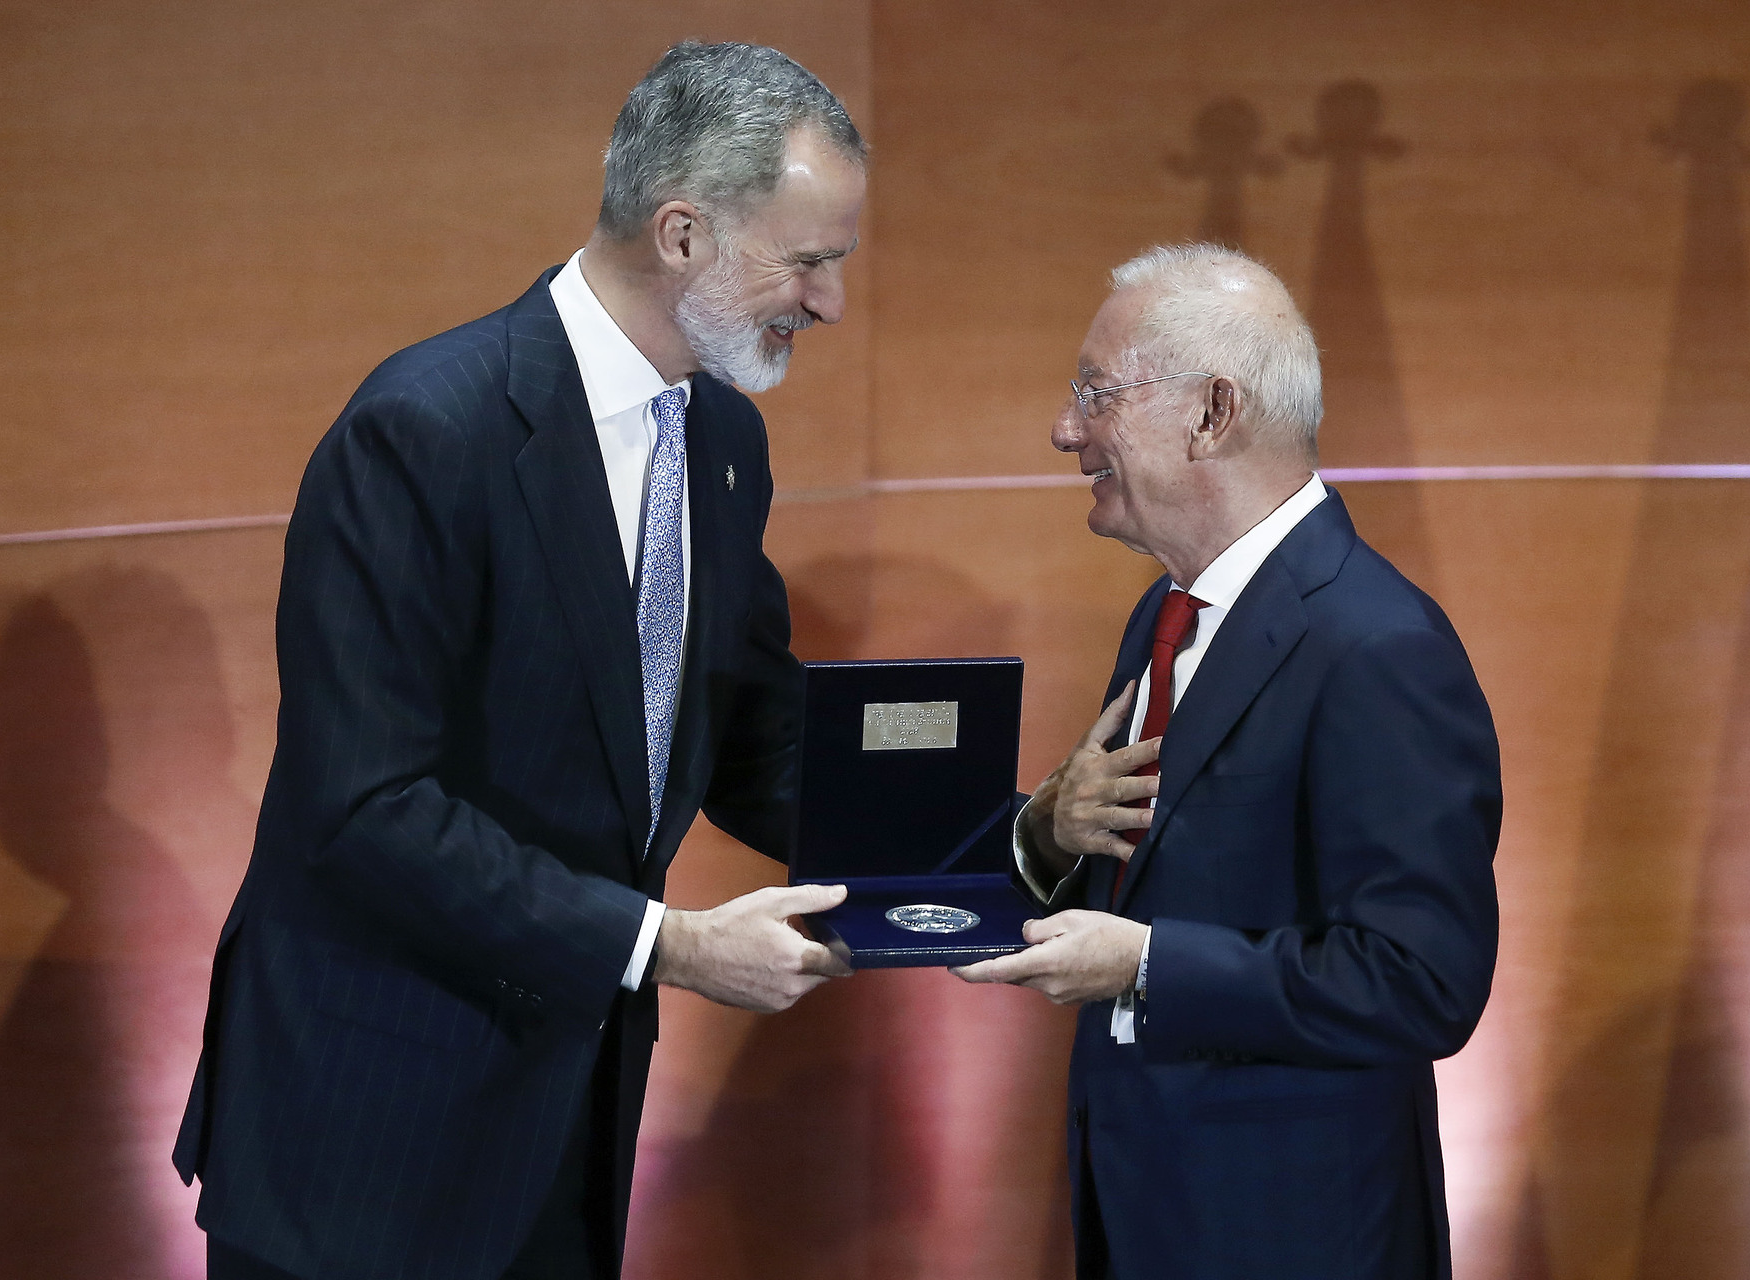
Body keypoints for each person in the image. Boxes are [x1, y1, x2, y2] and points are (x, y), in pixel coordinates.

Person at [173, 42, 866, 1280]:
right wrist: (672, 944)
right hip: (370, 1134)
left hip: (568, 1117)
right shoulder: (423, 429)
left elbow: (756, 740)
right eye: (808, 261)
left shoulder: (721, 438)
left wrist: (1004, 845)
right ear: (684, 235)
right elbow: (367, 808)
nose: (828, 303)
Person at [955, 244, 1501, 1279]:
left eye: (1096, 393)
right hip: (1148, 1213)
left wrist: (1146, 961)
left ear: (1213, 413)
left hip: (1298, 1237)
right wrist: (1058, 831)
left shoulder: (1379, 646)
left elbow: (1424, 979)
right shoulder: (1163, 617)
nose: (1065, 428)